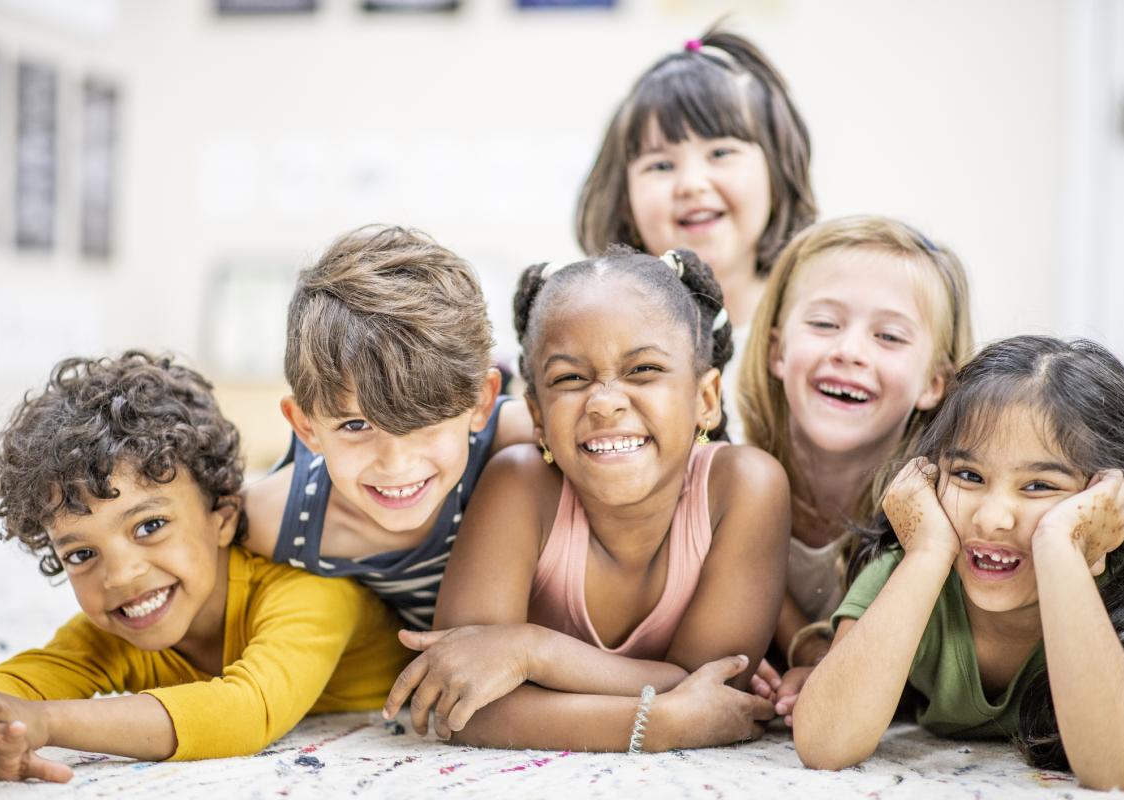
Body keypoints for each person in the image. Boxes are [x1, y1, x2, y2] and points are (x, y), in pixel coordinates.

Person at [383, 247, 789, 752]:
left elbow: (716, 690)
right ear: (537, 415)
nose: (605, 402)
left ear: (704, 400)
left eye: (642, 370)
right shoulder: (519, 485)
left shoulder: (745, 486)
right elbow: (458, 701)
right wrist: (657, 724)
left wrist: (535, 653)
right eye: (571, 379)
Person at [0, 352, 408, 782]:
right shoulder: (121, 623)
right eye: (82, 555)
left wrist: (45, 722)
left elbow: (246, 711)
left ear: (222, 518)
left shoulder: (310, 589)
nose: (122, 576)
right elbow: (18, 684)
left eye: (150, 526)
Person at [794, 336, 1124, 791]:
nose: (992, 518)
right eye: (968, 476)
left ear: (1111, 498)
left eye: (1039, 486)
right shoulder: (912, 565)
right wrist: (927, 554)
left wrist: (1061, 549)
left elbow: (1118, 770)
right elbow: (824, 744)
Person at [737, 216, 973, 723]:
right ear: (778, 350)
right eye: (824, 324)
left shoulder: (940, 511)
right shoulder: (728, 478)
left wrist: (824, 662)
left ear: (936, 382)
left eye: (888, 336)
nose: (849, 351)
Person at [242, 226, 532, 630]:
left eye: (425, 420)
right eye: (356, 424)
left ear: (481, 402)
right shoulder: (277, 520)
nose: (395, 464)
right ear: (306, 426)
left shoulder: (522, 438)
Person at [576, 27, 816, 439]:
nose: (690, 183)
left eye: (720, 153)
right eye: (661, 165)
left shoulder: (817, 333)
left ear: (778, 172)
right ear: (624, 199)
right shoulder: (597, 340)